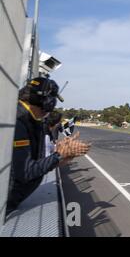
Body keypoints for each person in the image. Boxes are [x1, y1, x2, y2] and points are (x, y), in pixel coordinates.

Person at [6, 77, 90, 215]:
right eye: (52, 101)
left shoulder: (28, 118)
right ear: (45, 101)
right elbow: (25, 172)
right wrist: (59, 155)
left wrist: (64, 156)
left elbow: (35, 162)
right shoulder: (19, 121)